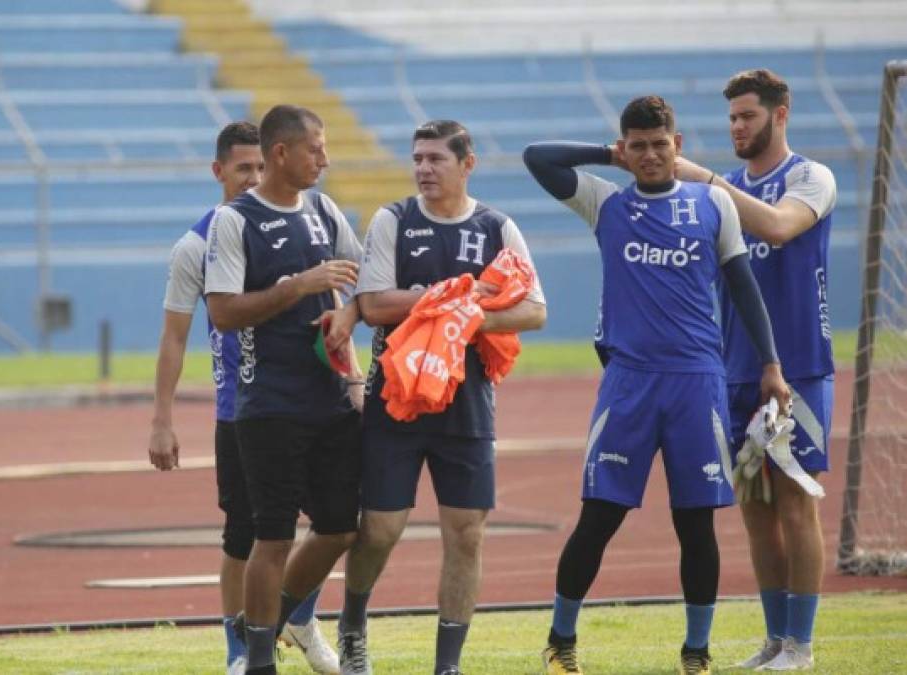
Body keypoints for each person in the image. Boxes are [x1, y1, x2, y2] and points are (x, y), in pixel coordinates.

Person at [522, 95, 791, 675]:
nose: (648, 155)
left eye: (658, 144)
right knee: (600, 516)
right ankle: (560, 644)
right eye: (637, 146)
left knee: (695, 522)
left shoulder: (712, 202)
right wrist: (605, 155)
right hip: (630, 383)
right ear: (627, 149)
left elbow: (744, 288)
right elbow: (536, 158)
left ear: (678, 145)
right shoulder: (607, 203)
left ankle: (696, 653)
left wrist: (770, 364)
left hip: (698, 382)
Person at [338, 120, 547, 675]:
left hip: (467, 401)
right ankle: (353, 623)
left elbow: (535, 311)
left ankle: (447, 665)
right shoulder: (394, 219)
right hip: (396, 398)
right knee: (380, 530)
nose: (424, 169)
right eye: (418, 159)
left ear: (467, 164)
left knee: (466, 534)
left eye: (436, 159)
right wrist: (450, 297)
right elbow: (375, 305)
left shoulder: (497, 227)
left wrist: (473, 314)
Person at [148, 121, 342, 675]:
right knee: (246, 534)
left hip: (313, 399)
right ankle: (241, 649)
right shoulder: (196, 244)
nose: (254, 178)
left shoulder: (306, 219)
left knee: (331, 521)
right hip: (242, 410)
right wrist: (162, 419)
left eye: (261, 167)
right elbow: (175, 335)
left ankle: (299, 617)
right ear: (218, 172)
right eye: (242, 169)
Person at [672, 69, 837, 671]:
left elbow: (777, 226)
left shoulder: (810, 177)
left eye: (748, 116)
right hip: (733, 369)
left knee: (795, 499)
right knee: (754, 506)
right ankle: (774, 639)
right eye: (732, 118)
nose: (738, 127)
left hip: (798, 368)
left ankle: (802, 644)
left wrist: (709, 182)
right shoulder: (727, 188)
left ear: (780, 113)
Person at [204, 106, 365, 675]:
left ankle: (285, 617)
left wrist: (348, 332)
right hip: (268, 406)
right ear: (281, 153)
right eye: (314, 149)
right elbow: (223, 312)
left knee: (343, 526)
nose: (324, 159)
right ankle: (258, 662)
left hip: (332, 399)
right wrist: (299, 287)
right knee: (270, 540)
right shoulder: (234, 221)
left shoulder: (324, 210)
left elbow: (361, 284)